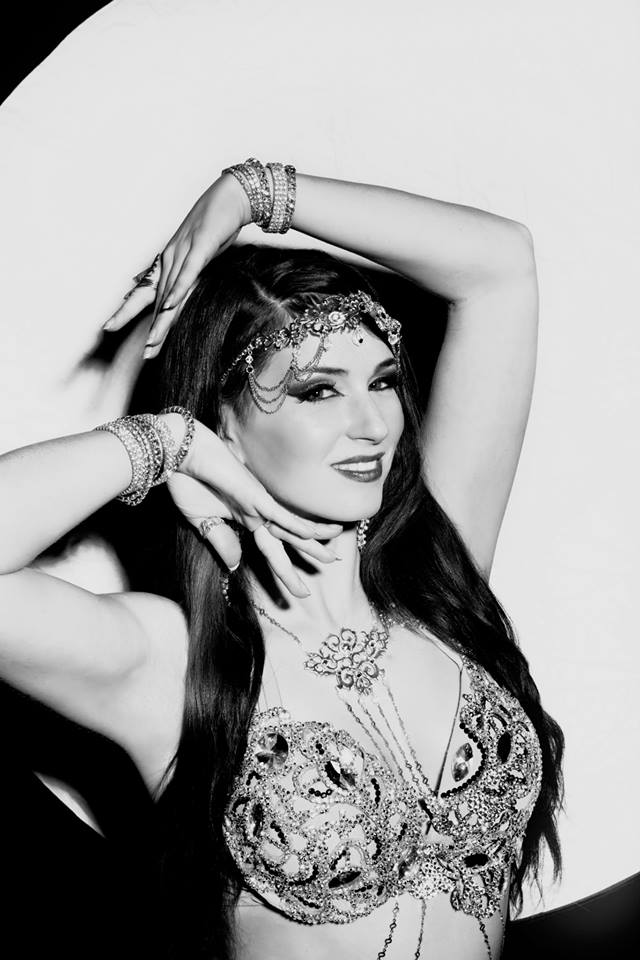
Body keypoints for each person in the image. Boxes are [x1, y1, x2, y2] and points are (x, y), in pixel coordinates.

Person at [0, 158, 564, 960]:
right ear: (226, 427)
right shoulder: (171, 664)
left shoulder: (439, 578)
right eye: (318, 391)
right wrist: (164, 443)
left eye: (381, 381)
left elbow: (501, 266)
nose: (373, 424)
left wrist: (254, 193)